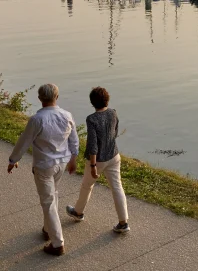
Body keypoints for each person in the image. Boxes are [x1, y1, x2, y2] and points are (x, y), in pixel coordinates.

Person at [7, 83, 79, 257]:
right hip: (61, 163)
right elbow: (74, 140)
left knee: (48, 202)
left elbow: (24, 141)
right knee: (53, 196)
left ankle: (57, 243)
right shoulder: (67, 115)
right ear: (57, 97)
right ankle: (48, 229)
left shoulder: (37, 120)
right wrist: (73, 159)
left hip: (44, 166)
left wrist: (13, 160)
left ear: (40, 99)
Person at [66, 86, 129, 233]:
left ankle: (78, 212)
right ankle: (123, 222)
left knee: (87, 186)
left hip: (98, 160)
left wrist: (93, 165)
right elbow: (115, 132)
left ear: (92, 102)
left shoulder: (92, 119)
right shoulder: (113, 113)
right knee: (117, 187)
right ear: (107, 99)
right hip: (114, 156)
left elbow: (92, 145)